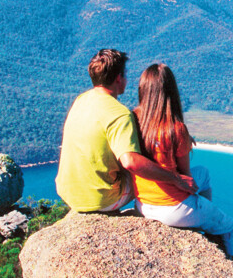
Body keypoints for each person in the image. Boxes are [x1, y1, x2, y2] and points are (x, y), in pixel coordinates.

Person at [56, 49, 197, 214]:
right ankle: (179, 210)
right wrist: (176, 179)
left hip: (68, 192)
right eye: (125, 75)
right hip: (101, 199)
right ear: (119, 79)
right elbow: (130, 161)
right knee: (152, 176)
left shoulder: (81, 100)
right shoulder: (119, 113)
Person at [132, 63, 233, 257]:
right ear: (171, 91)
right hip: (173, 209)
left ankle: (199, 218)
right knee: (229, 226)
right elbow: (187, 180)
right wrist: (184, 141)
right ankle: (226, 256)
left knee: (204, 172)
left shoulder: (132, 120)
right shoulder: (176, 129)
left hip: (143, 204)